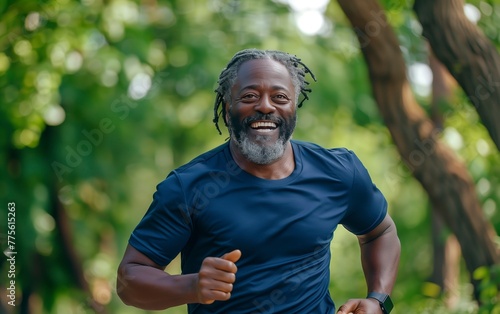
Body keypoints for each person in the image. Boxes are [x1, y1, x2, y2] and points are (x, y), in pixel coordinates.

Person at [117, 48, 401, 314]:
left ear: (294, 107)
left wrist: (378, 300)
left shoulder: (338, 172)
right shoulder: (189, 186)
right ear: (228, 108)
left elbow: (380, 233)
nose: (265, 107)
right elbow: (129, 279)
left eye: (279, 97)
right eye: (250, 96)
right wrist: (190, 286)